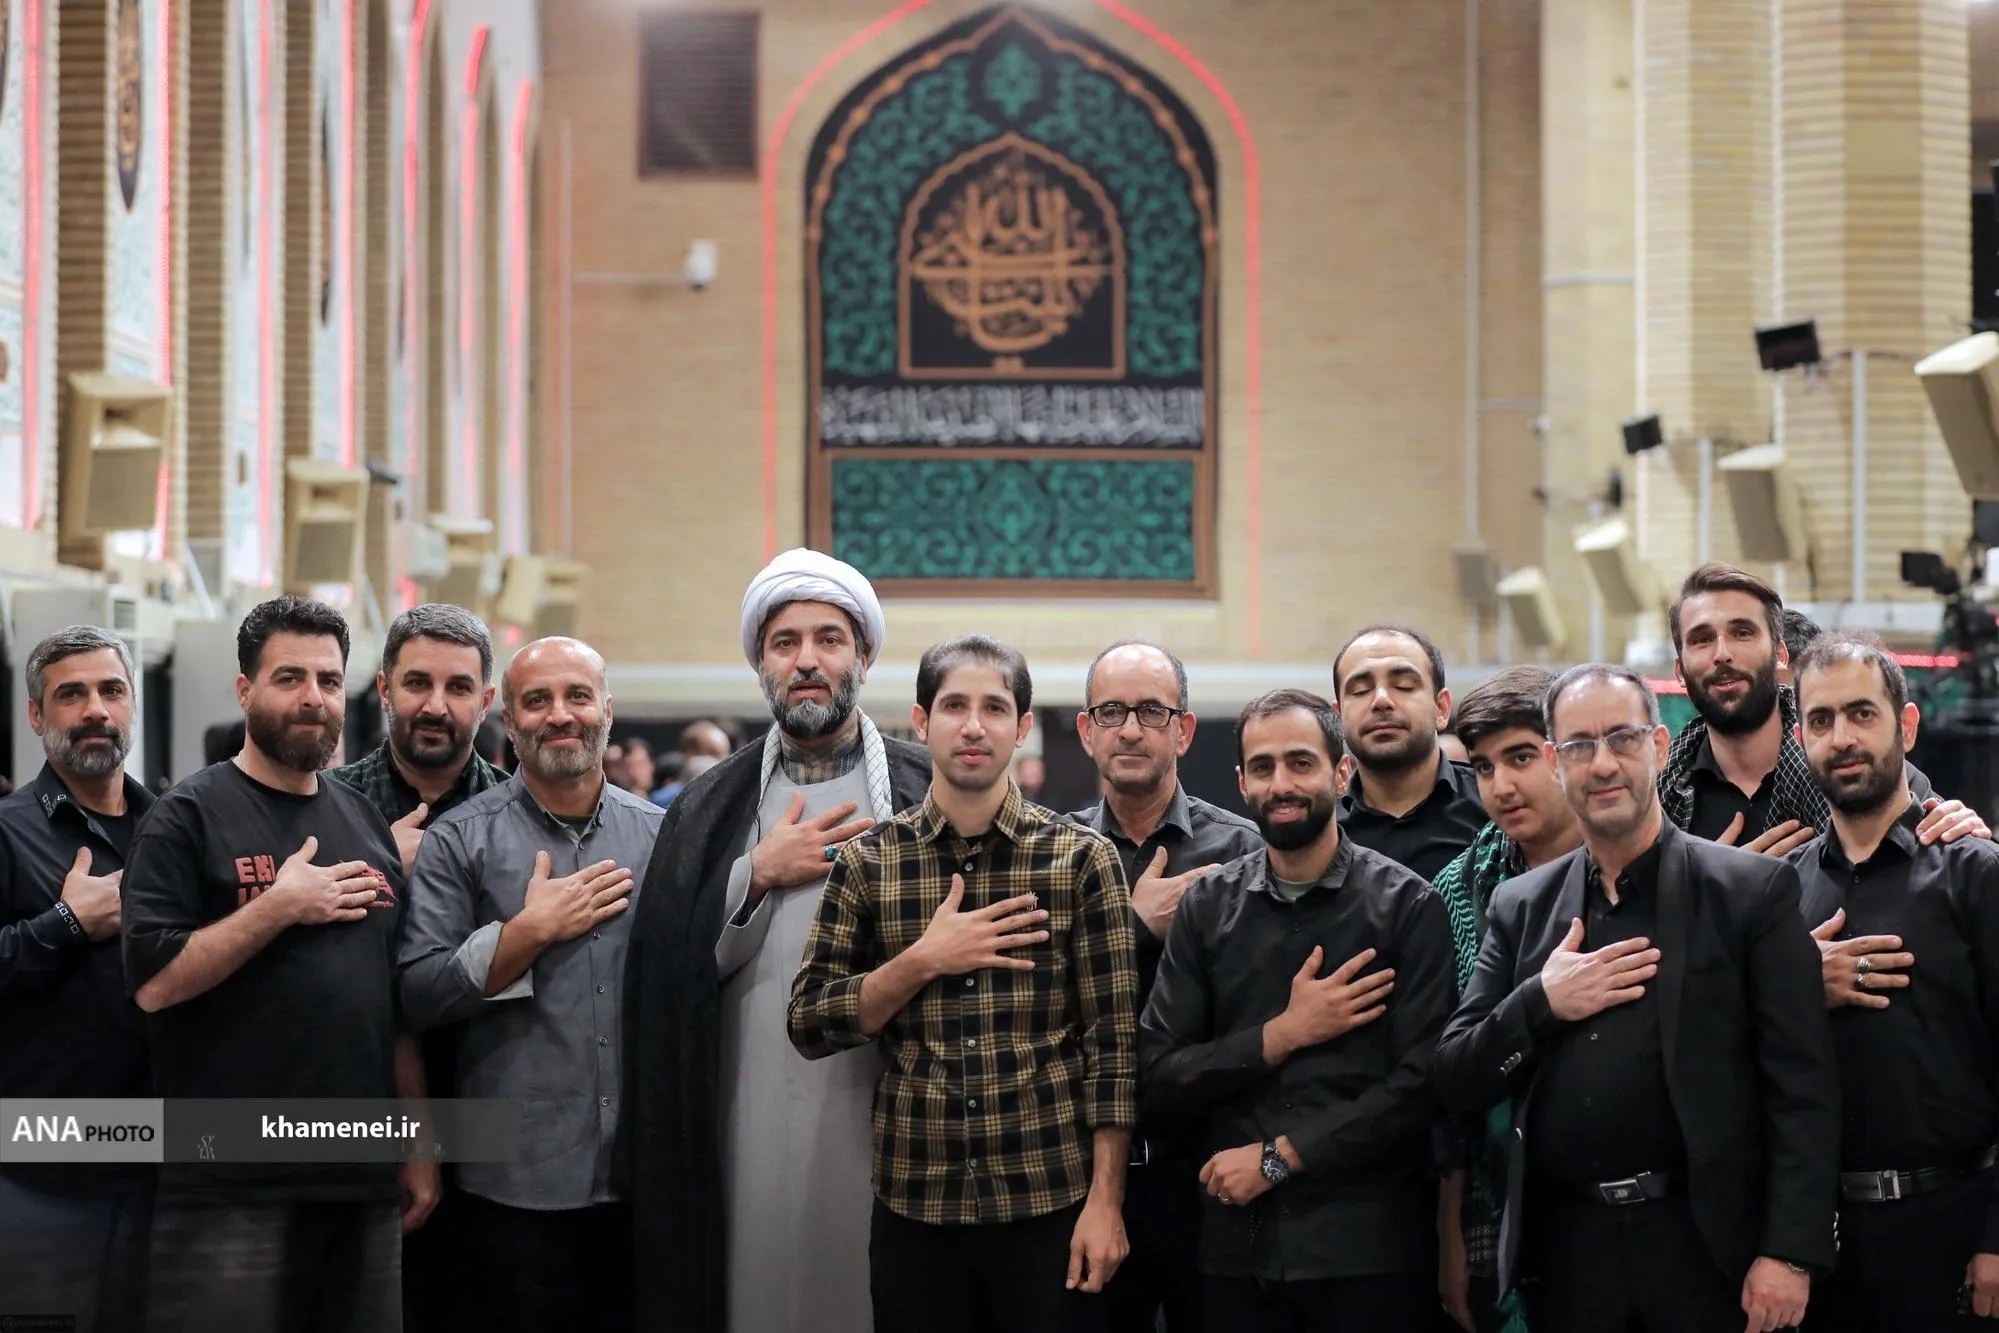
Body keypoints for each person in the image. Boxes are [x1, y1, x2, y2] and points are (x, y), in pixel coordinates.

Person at [1434, 663, 1839, 1333]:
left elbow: (1803, 1087)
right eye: (1578, 746)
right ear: (1556, 763)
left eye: (1620, 739)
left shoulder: (1750, 892)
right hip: (1567, 1259)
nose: (1602, 764)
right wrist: (1541, 1002)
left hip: (1709, 1251)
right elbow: (1455, 1075)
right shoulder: (1518, 906)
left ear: (1657, 745)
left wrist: (1790, 1252)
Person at [620, 549, 932, 1333]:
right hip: (746, 1106)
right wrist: (754, 874)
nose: (806, 661)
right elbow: (662, 963)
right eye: (785, 642)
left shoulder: (926, 787)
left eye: (829, 639)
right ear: (761, 663)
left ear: (863, 656)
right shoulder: (709, 805)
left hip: (894, 1103)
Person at [789, 634, 1139, 1333]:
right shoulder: (869, 861)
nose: (973, 726)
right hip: (916, 1209)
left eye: (994, 708)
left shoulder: (1081, 859)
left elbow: (1114, 1047)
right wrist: (922, 959)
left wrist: (1107, 1201)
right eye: (954, 706)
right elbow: (809, 1022)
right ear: (921, 722)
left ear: (1022, 726)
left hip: (1049, 1200)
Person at [121, 596, 436, 1331]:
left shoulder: (361, 817)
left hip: (359, 1175)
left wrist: (419, 1139)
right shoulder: (185, 816)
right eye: (289, 677)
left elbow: (387, 996)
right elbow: (154, 986)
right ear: (245, 690)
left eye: (328, 680)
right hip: (231, 1180)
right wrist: (278, 905)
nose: (312, 698)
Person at [1141, 688, 1457, 1332]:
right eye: (1263, 767)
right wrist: (1280, 1035)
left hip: (1370, 1254)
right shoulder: (1207, 910)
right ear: (1242, 783)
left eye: (1300, 762)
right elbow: (1160, 1074)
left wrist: (1281, 1155)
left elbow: (1423, 1084)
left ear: (1341, 773)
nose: (1281, 783)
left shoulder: (1407, 906)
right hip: (1236, 1257)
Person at [397, 636, 659, 1333]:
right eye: (537, 700)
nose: (560, 715)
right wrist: (525, 934)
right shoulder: (460, 839)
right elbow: (418, 992)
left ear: (607, 710)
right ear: (509, 723)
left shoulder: (662, 838)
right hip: (511, 1182)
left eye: (577, 696)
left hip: (642, 1177)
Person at [1785, 633, 1999, 1331]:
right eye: (1820, 720)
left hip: (1954, 1235)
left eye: (1861, 713)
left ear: (1905, 726)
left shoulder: (1974, 872)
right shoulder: (1780, 894)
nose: (1841, 737)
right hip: (1821, 1249)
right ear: (1800, 739)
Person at [1069, 641, 1262, 1333]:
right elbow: (1041, 1009)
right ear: (1086, 730)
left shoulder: (1242, 852)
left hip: (1212, 1172)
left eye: (1151, 711)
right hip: (1082, 1174)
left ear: (1183, 730)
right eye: (1112, 711)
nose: (1130, 729)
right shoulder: (1053, 853)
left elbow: (1256, 1018)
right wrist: (1133, 925)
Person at [328, 603, 506, 1333]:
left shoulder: (519, 811)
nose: (436, 705)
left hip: (496, 1102)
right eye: (417, 683)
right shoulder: (327, 809)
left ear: (485, 700)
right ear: (383, 688)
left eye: (458, 687)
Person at [0, 628, 156, 1329]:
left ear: (132, 704)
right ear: (37, 715)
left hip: (168, 1162)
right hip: (45, 1171)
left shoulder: (174, 829)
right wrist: (65, 923)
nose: (95, 709)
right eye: (71, 694)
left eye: (111, 690)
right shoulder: (8, 832)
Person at [1430, 665, 1578, 1333]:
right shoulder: (1457, 889)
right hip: (1497, 1194)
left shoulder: (1637, 862)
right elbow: (1445, 1080)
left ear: (1563, 752)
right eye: (1484, 767)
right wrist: (1448, 1229)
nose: (1502, 786)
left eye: (1520, 758)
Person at [1333, 625, 1487, 880]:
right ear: (1338, 717)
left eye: (1404, 686)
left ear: (1441, 708)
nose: (1381, 700)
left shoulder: (1495, 807)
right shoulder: (1320, 831)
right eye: (1360, 690)